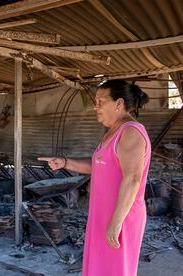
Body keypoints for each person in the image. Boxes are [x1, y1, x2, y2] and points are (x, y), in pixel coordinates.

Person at [38, 79, 151, 276]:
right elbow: (100, 166)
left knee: (116, 270)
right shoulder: (111, 133)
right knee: (100, 267)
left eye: (101, 102)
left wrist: (116, 222)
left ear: (119, 104)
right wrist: (65, 162)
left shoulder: (130, 131)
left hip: (121, 215)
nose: (95, 106)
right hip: (103, 212)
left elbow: (132, 178)